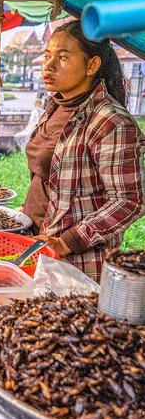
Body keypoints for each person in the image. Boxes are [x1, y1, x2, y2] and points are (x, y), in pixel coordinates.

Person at [21, 20, 145, 281]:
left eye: (63, 57)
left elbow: (130, 201)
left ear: (92, 65)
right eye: (47, 56)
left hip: (74, 265)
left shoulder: (111, 122)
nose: (49, 65)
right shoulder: (55, 105)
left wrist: (67, 242)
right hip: (34, 244)